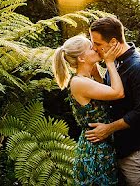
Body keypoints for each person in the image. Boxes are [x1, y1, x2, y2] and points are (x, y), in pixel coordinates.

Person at [85, 17, 140, 186]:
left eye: (97, 43)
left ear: (112, 42)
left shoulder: (138, 68)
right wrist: (95, 74)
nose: (94, 48)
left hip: (138, 153)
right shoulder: (115, 63)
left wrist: (108, 129)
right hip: (121, 150)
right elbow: (110, 95)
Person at [53, 34, 125, 185]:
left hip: (100, 146)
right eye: (92, 48)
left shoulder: (86, 80)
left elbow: (103, 93)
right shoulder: (79, 82)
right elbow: (117, 93)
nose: (97, 49)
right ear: (81, 58)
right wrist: (110, 63)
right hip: (95, 152)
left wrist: (96, 73)